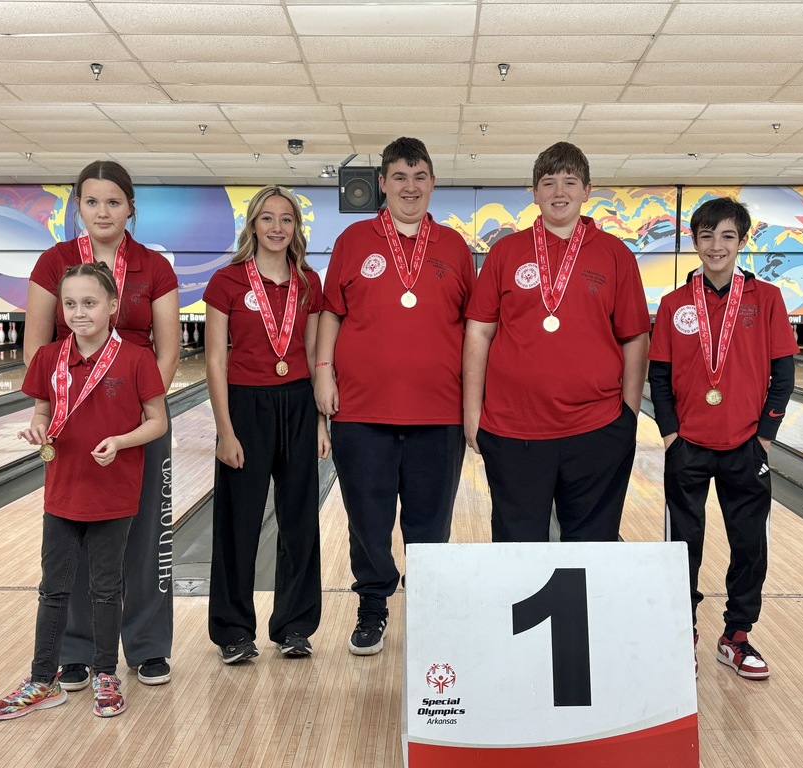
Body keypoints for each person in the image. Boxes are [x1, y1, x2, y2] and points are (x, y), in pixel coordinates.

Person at [315, 137, 475, 656]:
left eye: (420, 176)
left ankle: (427, 606)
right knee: (368, 518)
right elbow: (332, 313)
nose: (411, 187)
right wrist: (323, 372)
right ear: (382, 183)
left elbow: (475, 328)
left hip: (439, 412)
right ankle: (373, 606)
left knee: (431, 521)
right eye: (400, 177)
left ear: (433, 183)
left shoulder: (453, 247)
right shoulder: (353, 240)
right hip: (362, 410)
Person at [0, 262, 168, 720]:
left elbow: (158, 421)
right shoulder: (49, 358)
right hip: (63, 493)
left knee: (106, 589)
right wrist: (36, 430)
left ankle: (106, 675)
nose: (79, 312)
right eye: (70, 304)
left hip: (114, 493)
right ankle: (41, 679)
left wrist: (122, 442)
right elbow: (42, 413)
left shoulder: (136, 358)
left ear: (112, 306)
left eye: (89, 303)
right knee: (54, 589)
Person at [24, 161, 180, 689]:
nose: (103, 211)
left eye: (113, 201)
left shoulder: (153, 266)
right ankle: (77, 652)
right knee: (77, 537)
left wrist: (141, 413)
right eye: (92, 202)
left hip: (136, 416)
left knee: (145, 538)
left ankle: (147, 647)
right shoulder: (56, 261)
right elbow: (38, 346)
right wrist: (48, 410)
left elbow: (168, 348)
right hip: (72, 417)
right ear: (79, 208)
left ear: (130, 206)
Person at [463, 141, 650, 543]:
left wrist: (629, 416)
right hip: (514, 430)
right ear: (534, 193)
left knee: (591, 547)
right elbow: (479, 330)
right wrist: (472, 413)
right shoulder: (505, 252)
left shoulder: (616, 254)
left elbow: (635, 336)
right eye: (548, 183)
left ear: (587, 190)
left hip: (597, 428)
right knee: (517, 545)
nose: (559, 192)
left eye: (570, 182)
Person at [649, 197, 798, 680]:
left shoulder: (766, 299)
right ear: (694, 241)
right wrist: (671, 436)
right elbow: (660, 377)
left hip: (746, 446)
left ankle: (737, 637)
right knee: (682, 547)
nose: (716, 246)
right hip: (688, 446)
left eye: (727, 236)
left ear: (741, 241)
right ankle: (681, 630)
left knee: (750, 544)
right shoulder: (674, 305)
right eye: (707, 236)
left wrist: (767, 437)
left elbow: (784, 372)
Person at [205, 185, 329, 663]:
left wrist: (320, 422)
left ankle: (295, 626)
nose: (277, 228)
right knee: (238, 524)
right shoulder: (228, 282)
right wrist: (226, 431)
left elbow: (316, 355)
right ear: (252, 224)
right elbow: (216, 361)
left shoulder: (308, 282)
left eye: (286, 219)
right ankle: (234, 631)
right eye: (267, 218)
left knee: (300, 521)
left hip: (298, 403)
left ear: (296, 228)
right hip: (245, 407)